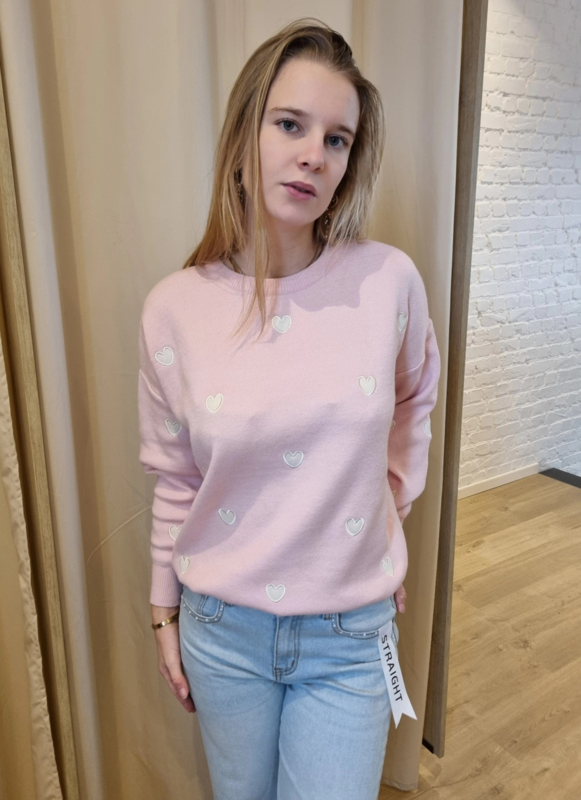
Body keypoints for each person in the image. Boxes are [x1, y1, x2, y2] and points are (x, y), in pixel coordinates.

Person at [138, 17, 441, 800]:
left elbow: (414, 400)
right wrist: (163, 612)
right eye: (290, 125)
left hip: (349, 637)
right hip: (222, 630)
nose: (313, 154)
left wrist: (382, 517)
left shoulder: (387, 282)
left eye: (337, 139)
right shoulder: (175, 308)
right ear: (246, 135)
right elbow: (175, 477)